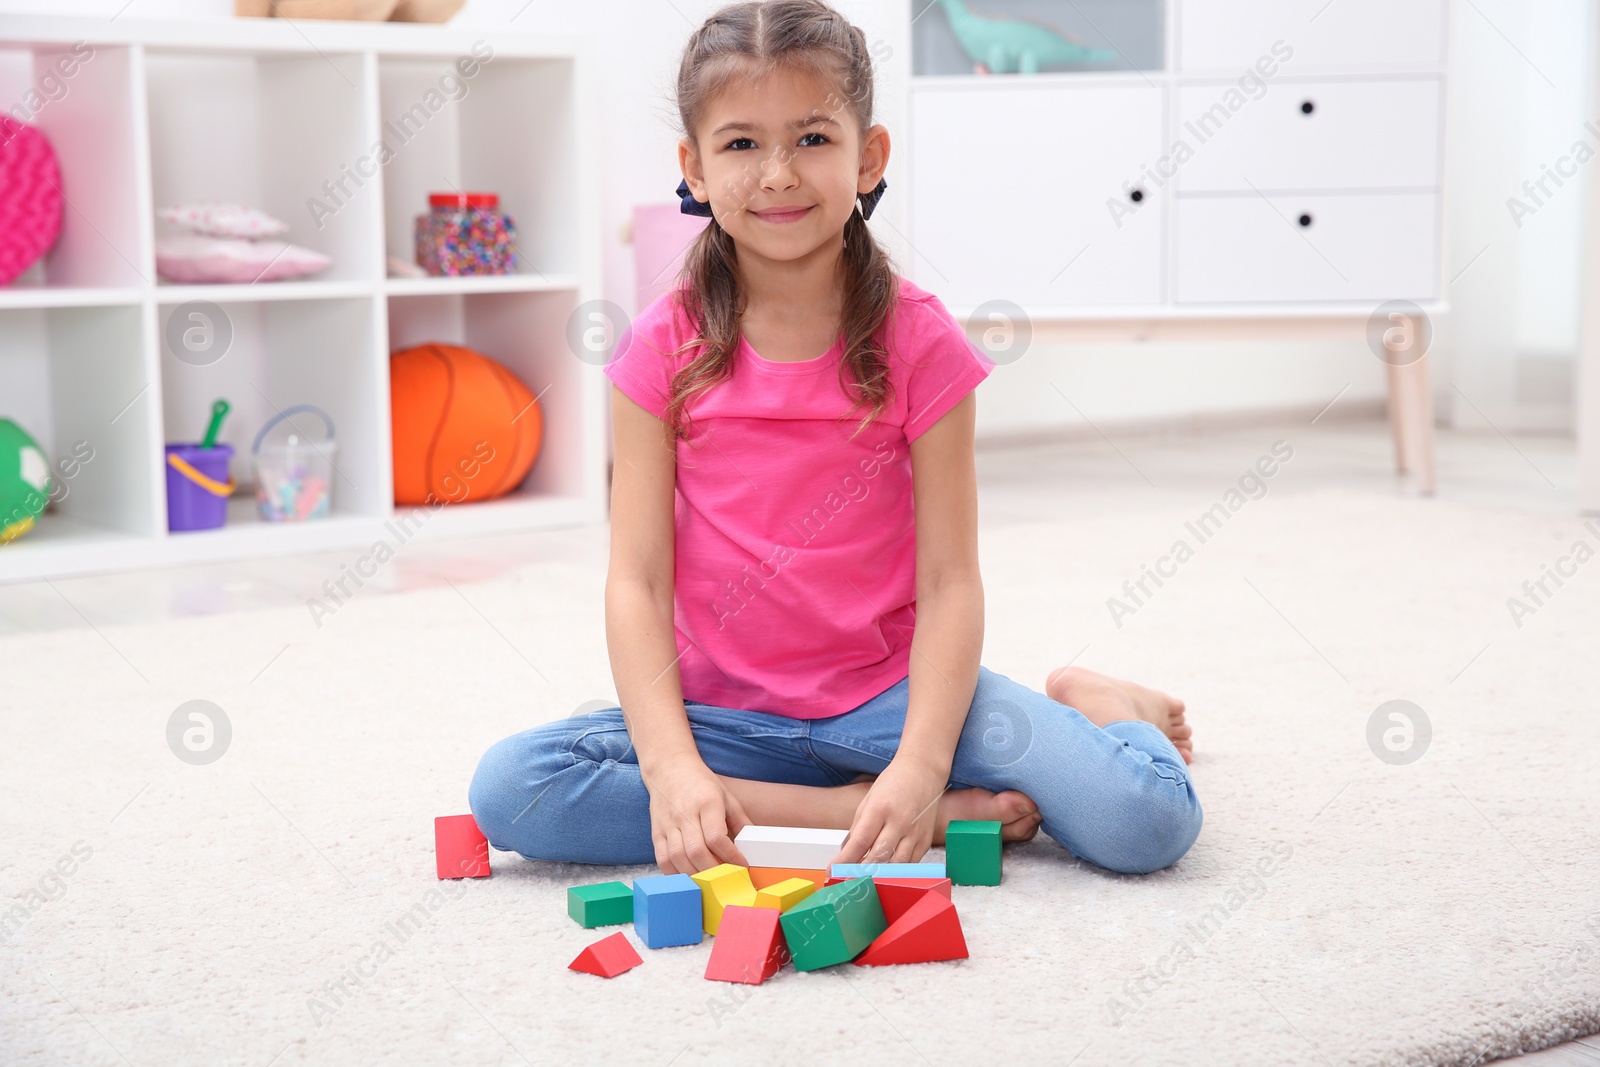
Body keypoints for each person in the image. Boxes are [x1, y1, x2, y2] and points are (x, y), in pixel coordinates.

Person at [470, 0, 1199, 878]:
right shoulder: (658, 347)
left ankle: (1107, 701)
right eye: (740, 144)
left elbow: (950, 579)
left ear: (870, 155)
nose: (777, 174)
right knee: (513, 788)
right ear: (693, 169)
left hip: (895, 700)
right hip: (721, 717)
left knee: (1144, 822)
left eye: (813, 138)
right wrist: (669, 767)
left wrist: (923, 763)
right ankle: (841, 813)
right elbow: (636, 580)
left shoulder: (923, 343)